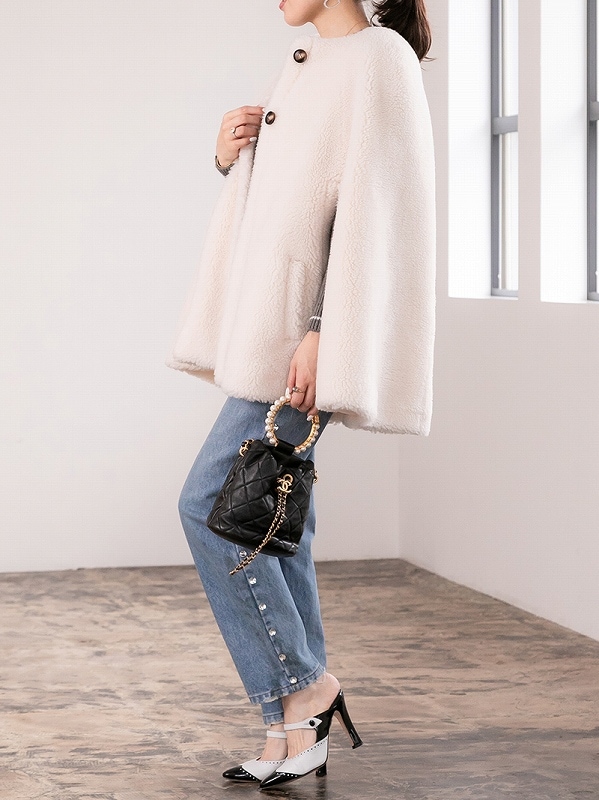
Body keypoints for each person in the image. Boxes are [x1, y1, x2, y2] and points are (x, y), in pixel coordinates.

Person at [168, 0, 435, 789]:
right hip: (274, 332)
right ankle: (290, 725)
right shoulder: (306, 64)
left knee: (209, 505)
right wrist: (230, 160)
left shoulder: (379, 59)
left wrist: (324, 327)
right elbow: (292, 203)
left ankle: (305, 688)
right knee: (276, 525)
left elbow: (372, 209)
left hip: (304, 341)